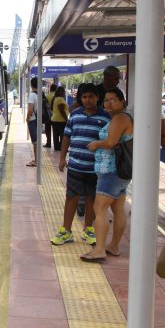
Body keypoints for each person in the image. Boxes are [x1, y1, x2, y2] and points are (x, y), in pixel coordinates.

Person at [53, 83, 111, 245]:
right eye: (84, 97)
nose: (87, 100)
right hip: (75, 165)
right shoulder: (75, 115)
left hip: (95, 168)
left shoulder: (105, 117)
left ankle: (88, 229)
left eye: (91, 96)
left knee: (91, 198)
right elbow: (66, 137)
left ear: (97, 97)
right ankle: (66, 231)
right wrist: (62, 158)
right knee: (71, 197)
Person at [81, 88, 133, 261]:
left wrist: (96, 144)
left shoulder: (119, 118)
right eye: (106, 100)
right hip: (120, 172)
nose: (108, 103)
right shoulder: (123, 118)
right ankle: (114, 246)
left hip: (111, 170)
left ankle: (99, 250)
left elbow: (111, 142)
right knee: (118, 210)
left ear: (122, 102)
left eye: (113, 100)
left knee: (100, 209)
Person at [26, 77, 41, 167]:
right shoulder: (40, 94)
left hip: (33, 120)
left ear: (31, 85)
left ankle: (36, 161)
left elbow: (30, 109)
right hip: (39, 119)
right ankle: (37, 159)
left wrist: (27, 118)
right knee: (37, 140)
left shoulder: (32, 95)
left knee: (35, 141)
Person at [50, 86, 69, 151]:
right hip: (60, 120)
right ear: (61, 92)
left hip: (54, 119)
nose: (64, 93)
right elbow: (62, 110)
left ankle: (57, 147)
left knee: (55, 135)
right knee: (62, 135)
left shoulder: (55, 98)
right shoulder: (60, 99)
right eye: (63, 91)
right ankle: (62, 148)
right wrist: (66, 119)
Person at [44, 83, 57, 148]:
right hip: (56, 116)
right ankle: (56, 144)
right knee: (55, 131)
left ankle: (48, 143)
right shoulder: (57, 96)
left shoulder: (48, 96)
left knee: (48, 130)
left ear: (50, 89)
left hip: (48, 115)